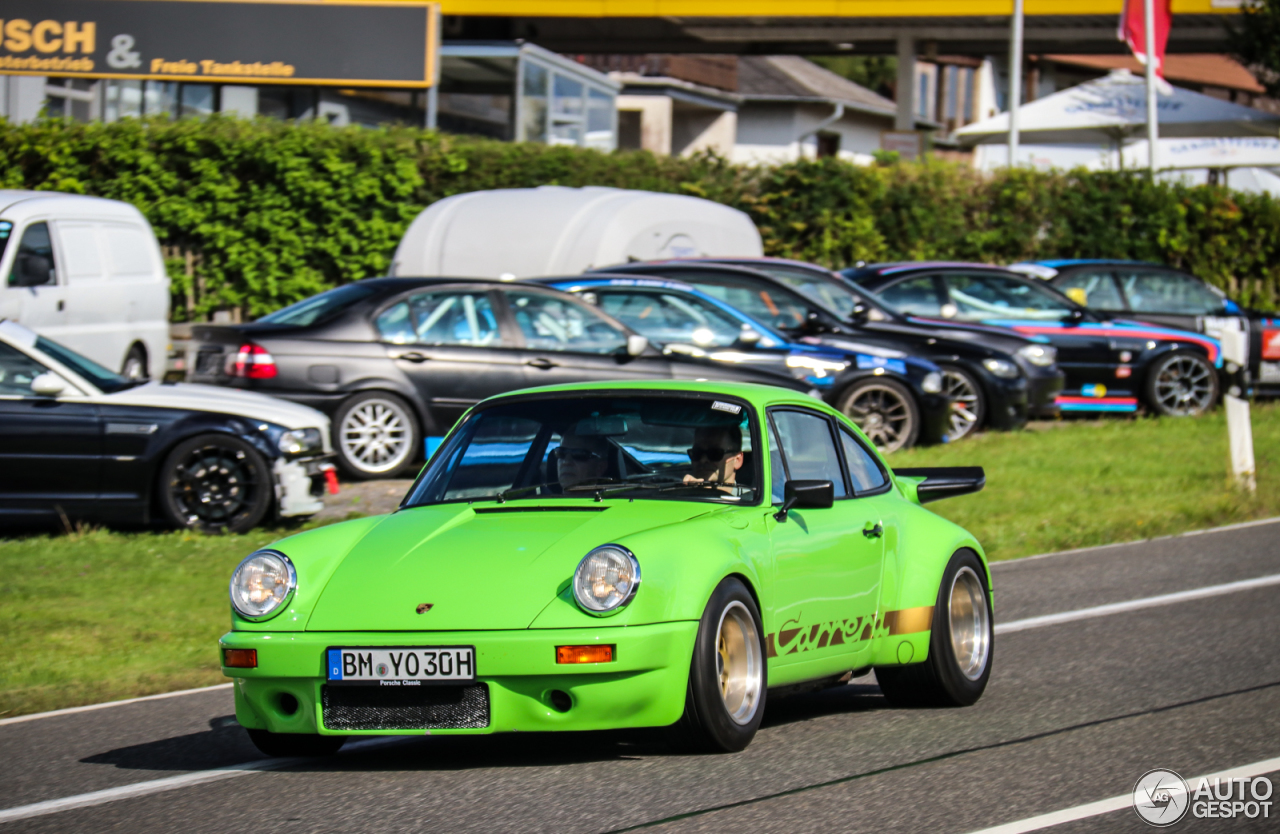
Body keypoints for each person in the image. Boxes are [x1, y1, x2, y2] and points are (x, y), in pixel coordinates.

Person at [684, 425, 745, 490]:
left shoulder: (751, 499)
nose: (703, 460)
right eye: (697, 453)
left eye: (714, 453)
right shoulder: (678, 497)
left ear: (738, 459)